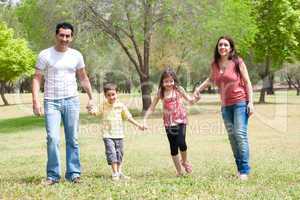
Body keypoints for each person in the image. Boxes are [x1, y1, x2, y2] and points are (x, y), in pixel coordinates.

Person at [32, 22, 95, 185]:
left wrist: (91, 97)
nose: (64, 39)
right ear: (56, 35)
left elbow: (83, 77)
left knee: (72, 139)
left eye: (68, 36)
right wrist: (35, 101)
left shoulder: (76, 55)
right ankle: (53, 176)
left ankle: (73, 173)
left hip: (72, 101)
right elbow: (37, 78)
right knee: (52, 138)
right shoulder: (45, 55)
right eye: (62, 35)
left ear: (72, 37)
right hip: (51, 102)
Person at [194, 36, 254, 181]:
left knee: (240, 135)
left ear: (231, 48)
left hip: (240, 102)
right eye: (220, 45)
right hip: (225, 106)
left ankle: (244, 170)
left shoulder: (237, 61)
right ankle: (240, 169)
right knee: (232, 138)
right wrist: (198, 89)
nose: (222, 47)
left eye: (226, 45)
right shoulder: (214, 64)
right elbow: (210, 79)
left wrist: (250, 102)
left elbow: (247, 82)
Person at [143, 67, 199, 176]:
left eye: (171, 81)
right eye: (166, 81)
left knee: (182, 143)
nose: (169, 83)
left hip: (181, 120)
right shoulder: (161, 92)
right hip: (169, 123)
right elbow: (152, 107)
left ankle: (185, 161)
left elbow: (190, 101)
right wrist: (145, 120)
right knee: (173, 147)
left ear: (174, 80)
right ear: (162, 82)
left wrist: (196, 98)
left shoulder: (179, 89)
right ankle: (179, 171)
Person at [91, 83, 146, 181]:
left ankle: (119, 172)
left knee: (119, 153)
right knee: (111, 153)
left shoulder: (121, 106)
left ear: (117, 94)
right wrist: (91, 110)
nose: (111, 97)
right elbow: (96, 112)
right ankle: (115, 173)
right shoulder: (103, 105)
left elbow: (128, 117)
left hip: (119, 134)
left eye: (113, 94)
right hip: (107, 134)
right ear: (105, 95)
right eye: (108, 95)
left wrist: (139, 125)